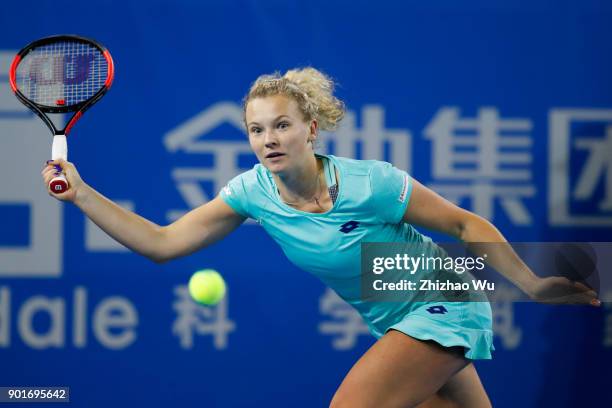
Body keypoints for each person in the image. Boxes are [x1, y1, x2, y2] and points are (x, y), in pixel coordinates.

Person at [42, 67, 599, 407]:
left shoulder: (371, 182)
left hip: (443, 300)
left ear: (310, 128)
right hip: (394, 316)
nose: (268, 140)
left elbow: (463, 224)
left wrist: (529, 285)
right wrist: (83, 194)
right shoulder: (251, 192)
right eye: (256, 130)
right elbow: (161, 244)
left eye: (281, 125)